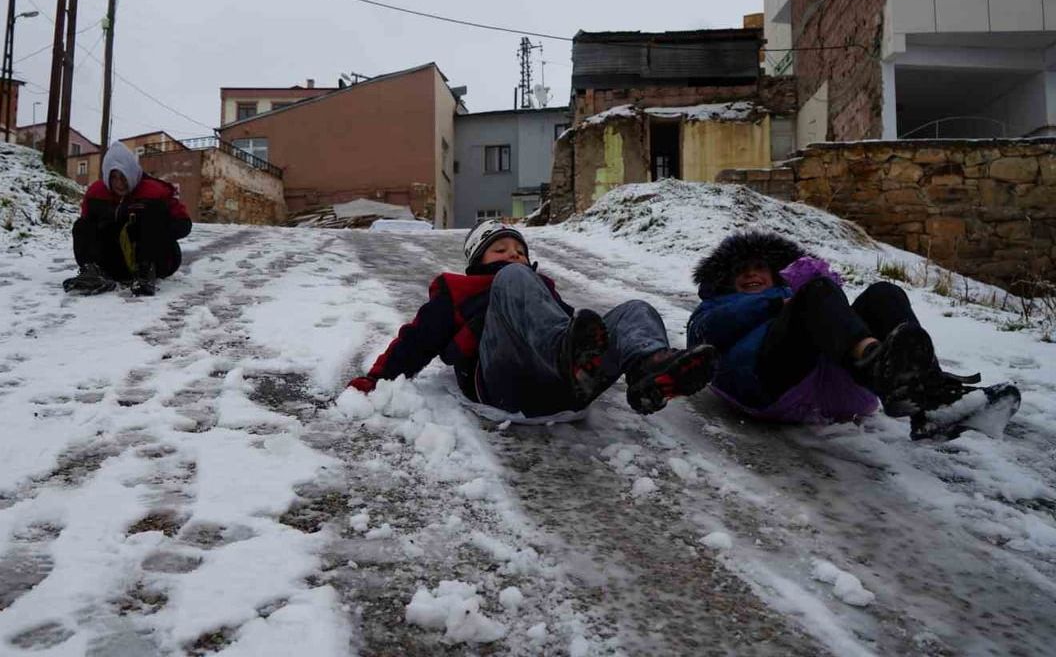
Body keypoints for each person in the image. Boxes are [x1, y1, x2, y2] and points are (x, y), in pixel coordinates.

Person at [345, 221, 718, 418]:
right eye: (501, 249)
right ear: (477, 260)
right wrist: (377, 378)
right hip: (505, 383)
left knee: (636, 309)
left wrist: (609, 346)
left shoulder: (537, 285)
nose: (514, 255)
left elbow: (584, 332)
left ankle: (649, 371)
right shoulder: (460, 290)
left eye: (520, 251)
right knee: (515, 281)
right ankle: (566, 358)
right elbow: (417, 339)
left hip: (567, 390)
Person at [686, 231, 977, 434]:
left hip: (838, 386)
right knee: (817, 291)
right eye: (741, 270)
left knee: (884, 294)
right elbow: (707, 332)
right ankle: (877, 364)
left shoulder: (799, 295)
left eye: (759, 268)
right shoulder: (716, 305)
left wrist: (810, 294)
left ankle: (929, 398)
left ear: (774, 273)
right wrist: (776, 303)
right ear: (726, 280)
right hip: (769, 384)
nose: (751, 274)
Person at [61, 142, 192, 297]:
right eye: (114, 177)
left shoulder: (155, 191)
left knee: (150, 214)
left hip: (157, 260)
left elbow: (184, 224)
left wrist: (150, 231)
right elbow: (86, 230)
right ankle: (94, 272)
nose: (119, 183)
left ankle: (145, 272)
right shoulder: (96, 193)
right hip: (114, 262)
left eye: (123, 177)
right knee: (82, 225)